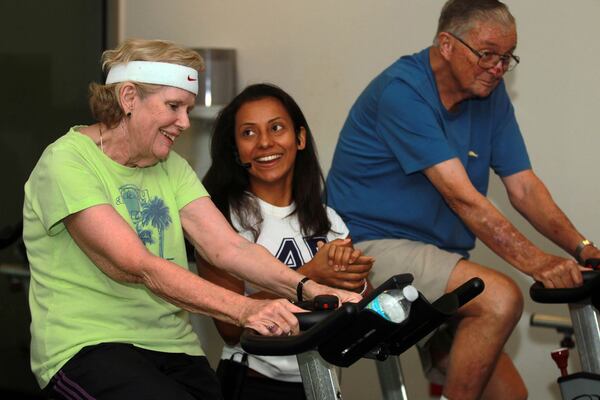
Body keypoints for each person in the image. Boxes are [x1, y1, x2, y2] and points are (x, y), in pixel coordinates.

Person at [22, 39, 360, 400]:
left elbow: (227, 247)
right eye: (174, 106)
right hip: (88, 347)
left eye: (188, 108)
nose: (184, 122)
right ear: (129, 98)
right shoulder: (67, 163)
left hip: (172, 346)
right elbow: (137, 266)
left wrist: (309, 289)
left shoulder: (171, 167)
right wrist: (246, 308)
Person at [326, 1, 600, 399]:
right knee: (501, 298)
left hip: (435, 256)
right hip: (367, 249)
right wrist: (539, 262)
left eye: (507, 57)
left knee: (510, 397)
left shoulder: (488, 94)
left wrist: (583, 247)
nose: (498, 68)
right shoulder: (402, 91)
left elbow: (523, 187)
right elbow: (463, 199)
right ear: (447, 44)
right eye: (487, 54)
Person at [197, 83, 374, 400]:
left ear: (300, 138)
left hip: (323, 381)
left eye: (276, 128)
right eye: (249, 133)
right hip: (254, 384)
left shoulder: (330, 219)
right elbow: (230, 330)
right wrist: (312, 275)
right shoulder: (218, 220)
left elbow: (361, 309)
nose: (265, 143)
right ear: (236, 151)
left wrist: (357, 278)